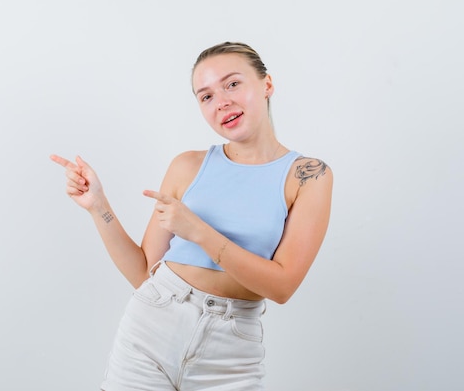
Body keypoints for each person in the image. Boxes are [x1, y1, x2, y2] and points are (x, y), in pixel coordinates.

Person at [50, 41, 333, 391]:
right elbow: (143, 272)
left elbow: (282, 286)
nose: (222, 101)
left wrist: (198, 232)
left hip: (231, 354)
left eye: (232, 84)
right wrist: (98, 206)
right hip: (151, 328)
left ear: (267, 84)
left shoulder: (308, 174)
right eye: (206, 96)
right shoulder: (187, 166)